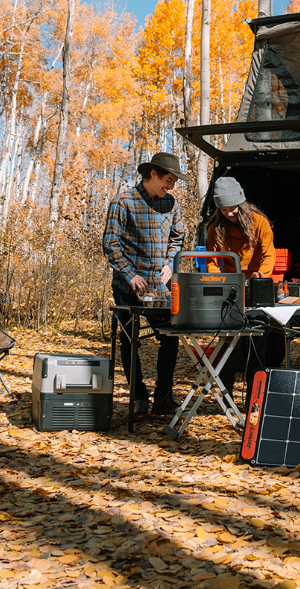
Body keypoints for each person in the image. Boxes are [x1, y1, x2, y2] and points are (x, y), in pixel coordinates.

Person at [103, 152, 185, 416]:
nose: (171, 187)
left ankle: (163, 398)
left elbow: (178, 237)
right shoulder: (123, 202)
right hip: (128, 288)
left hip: (160, 287)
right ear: (152, 174)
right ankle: (139, 397)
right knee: (129, 342)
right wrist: (129, 274)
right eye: (168, 180)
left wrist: (170, 263)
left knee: (170, 339)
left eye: (173, 182)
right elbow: (110, 244)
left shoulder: (171, 204)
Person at [204, 177, 284, 403]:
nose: (230, 213)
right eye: (224, 209)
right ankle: (226, 397)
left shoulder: (259, 222)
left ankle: (254, 399)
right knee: (227, 343)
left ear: (242, 202)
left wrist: (259, 276)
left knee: (257, 343)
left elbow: (270, 255)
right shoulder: (215, 227)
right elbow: (211, 260)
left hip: (257, 285)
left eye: (233, 208)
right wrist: (219, 280)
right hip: (230, 287)